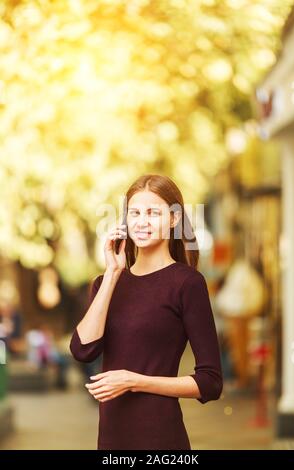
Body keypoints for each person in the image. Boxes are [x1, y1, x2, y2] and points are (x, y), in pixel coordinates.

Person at [69, 174, 223, 450]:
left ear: (173, 219)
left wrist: (135, 381)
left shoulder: (187, 283)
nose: (141, 222)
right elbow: (83, 351)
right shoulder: (106, 283)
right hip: (110, 441)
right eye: (135, 213)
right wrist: (113, 273)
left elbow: (210, 382)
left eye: (153, 213)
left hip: (160, 438)